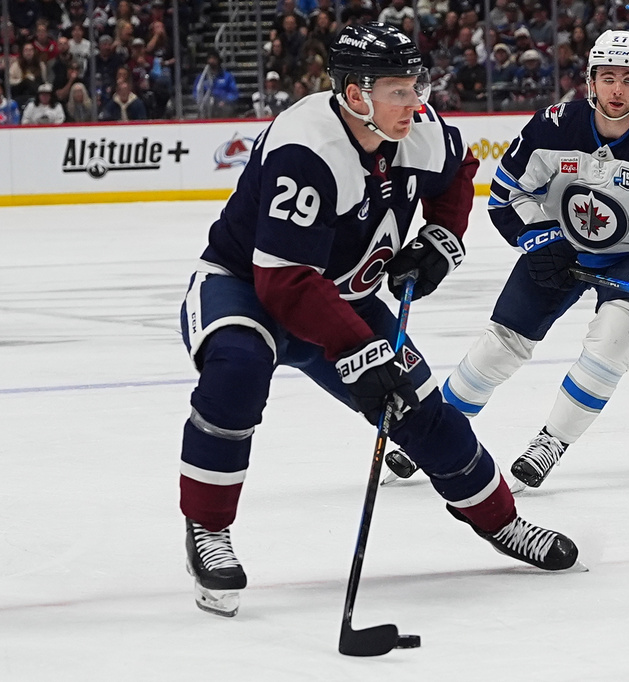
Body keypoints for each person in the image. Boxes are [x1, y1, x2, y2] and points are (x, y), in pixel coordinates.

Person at [177, 22, 579, 618]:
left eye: (416, 84)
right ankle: (207, 530)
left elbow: (458, 173)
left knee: (422, 412)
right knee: (237, 372)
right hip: (247, 289)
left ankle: (500, 521)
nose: (414, 101)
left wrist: (442, 237)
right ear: (354, 93)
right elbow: (284, 281)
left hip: (342, 295)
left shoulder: (418, 129)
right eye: (398, 89)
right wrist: (357, 349)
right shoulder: (305, 149)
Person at [384, 30, 629, 490]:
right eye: (608, 77)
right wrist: (540, 239)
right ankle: (433, 435)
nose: (617, 90)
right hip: (560, 246)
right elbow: (507, 196)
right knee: (500, 343)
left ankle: (552, 440)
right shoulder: (552, 126)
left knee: (616, 335)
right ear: (590, 80)